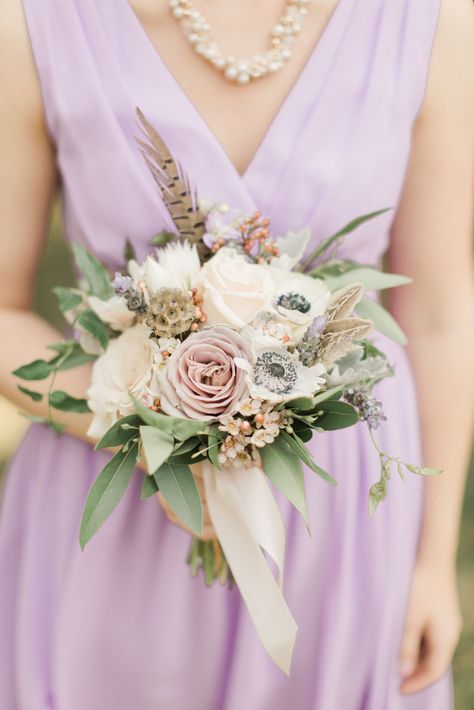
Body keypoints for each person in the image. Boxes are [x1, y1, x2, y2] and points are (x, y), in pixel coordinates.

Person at [0, 0, 472, 708]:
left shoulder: (430, 19)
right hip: (119, 503)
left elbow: (435, 316)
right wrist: (167, 422)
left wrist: (434, 561)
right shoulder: (33, 21)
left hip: (336, 523)